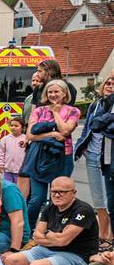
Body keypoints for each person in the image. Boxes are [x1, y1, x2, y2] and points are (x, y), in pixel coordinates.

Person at [5, 176, 99, 265]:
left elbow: (64, 241)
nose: (57, 195)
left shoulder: (82, 210)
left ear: (74, 193)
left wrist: (49, 236)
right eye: (54, 191)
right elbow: (37, 235)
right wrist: (53, 236)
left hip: (76, 256)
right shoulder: (50, 207)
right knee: (10, 260)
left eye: (63, 192)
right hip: (47, 250)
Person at [24, 79, 81, 229]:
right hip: (39, 158)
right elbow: (30, 135)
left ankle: (53, 229)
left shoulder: (72, 111)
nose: (53, 95)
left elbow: (66, 131)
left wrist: (56, 113)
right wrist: (53, 135)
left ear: (64, 93)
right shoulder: (39, 111)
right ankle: (28, 232)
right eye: (50, 92)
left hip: (63, 157)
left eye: (56, 91)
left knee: (59, 197)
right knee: (37, 199)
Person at [75, 73, 114, 249]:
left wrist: (102, 122)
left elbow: (103, 126)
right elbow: (90, 128)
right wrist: (80, 147)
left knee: (111, 198)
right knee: (98, 199)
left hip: (110, 157)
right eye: (108, 82)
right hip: (92, 155)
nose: (110, 85)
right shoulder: (95, 105)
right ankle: (102, 235)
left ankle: (111, 236)